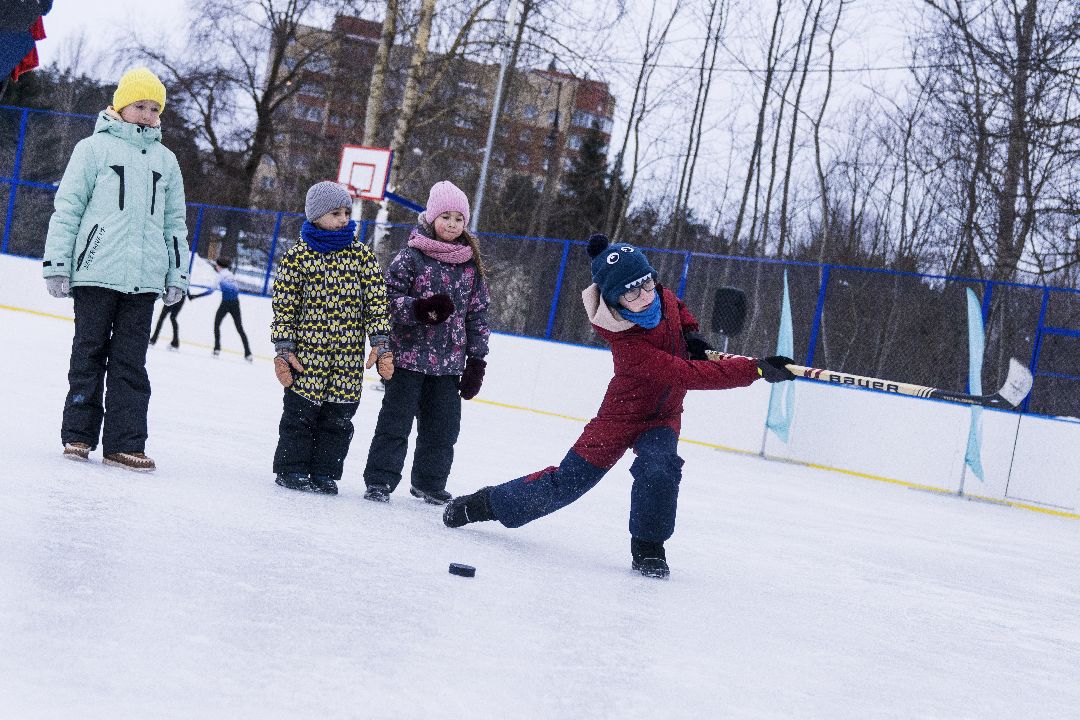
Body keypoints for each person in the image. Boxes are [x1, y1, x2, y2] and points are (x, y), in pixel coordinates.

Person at [443, 234, 795, 579]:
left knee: (660, 467)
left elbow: (678, 311)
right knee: (566, 484)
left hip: (663, 417)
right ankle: (487, 504)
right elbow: (688, 374)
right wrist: (756, 369)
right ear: (614, 300)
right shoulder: (629, 347)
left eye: (646, 283)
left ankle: (648, 547)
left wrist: (692, 337)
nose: (644, 294)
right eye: (631, 291)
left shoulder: (661, 297)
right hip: (619, 418)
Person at [43, 67, 189, 472]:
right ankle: (78, 435)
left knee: (130, 363)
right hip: (95, 273)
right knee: (88, 353)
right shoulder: (92, 150)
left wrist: (176, 273)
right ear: (119, 106)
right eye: (139, 106)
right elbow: (68, 209)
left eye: (154, 108)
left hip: (143, 281)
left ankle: (125, 443)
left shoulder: (167, 161)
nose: (147, 114)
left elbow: (175, 223)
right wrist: (57, 264)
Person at [362, 180, 490, 506]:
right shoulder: (411, 256)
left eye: (458, 218)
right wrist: (420, 309)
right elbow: (385, 299)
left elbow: (477, 315)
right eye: (445, 216)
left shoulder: (469, 264)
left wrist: (476, 361)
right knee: (395, 423)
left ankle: (429, 484)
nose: (451, 224)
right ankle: (380, 480)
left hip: (448, 364)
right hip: (407, 357)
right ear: (432, 218)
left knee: (443, 430)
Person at [271, 181, 394, 495]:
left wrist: (380, 343)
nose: (343, 219)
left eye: (346, 212)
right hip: (307, 358)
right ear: (315, 217)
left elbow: (377, 302)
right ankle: (291, 469)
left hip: (347, 359)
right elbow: (285, 305)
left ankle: (325, 473)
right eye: (335, 213)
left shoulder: (362, 258)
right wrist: (283, 347)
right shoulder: (297, 257)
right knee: (300, 415)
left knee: (338, 419)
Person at [208, 256, 253, 361]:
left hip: (225, 303)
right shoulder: (232, 275)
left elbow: (210, 291)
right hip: (235, 303)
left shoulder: (220, 276)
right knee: (239, 328)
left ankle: (217, 349)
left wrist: (195, 296)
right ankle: (248, 353)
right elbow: (236, 290)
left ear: (219, 266)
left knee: (217, 324)